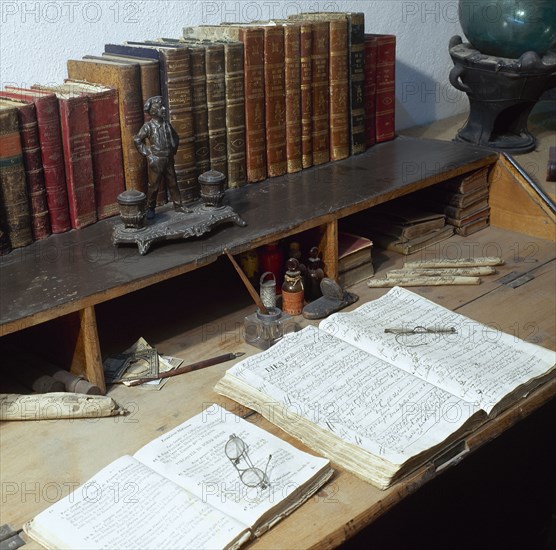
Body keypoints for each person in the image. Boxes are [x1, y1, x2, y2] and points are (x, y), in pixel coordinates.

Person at [134, 96, 189, 219]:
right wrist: (148, 155)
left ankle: (178, 205)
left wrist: (173, 150)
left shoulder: (166, 125)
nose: (164, 109)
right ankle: (150, 208)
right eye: (160, 107)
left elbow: (176, 137)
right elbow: (137, 140)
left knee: (173, 183)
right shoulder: (148, 127)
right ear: (153, 111)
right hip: (157, 160)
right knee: (153, 186)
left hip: (168, 158)